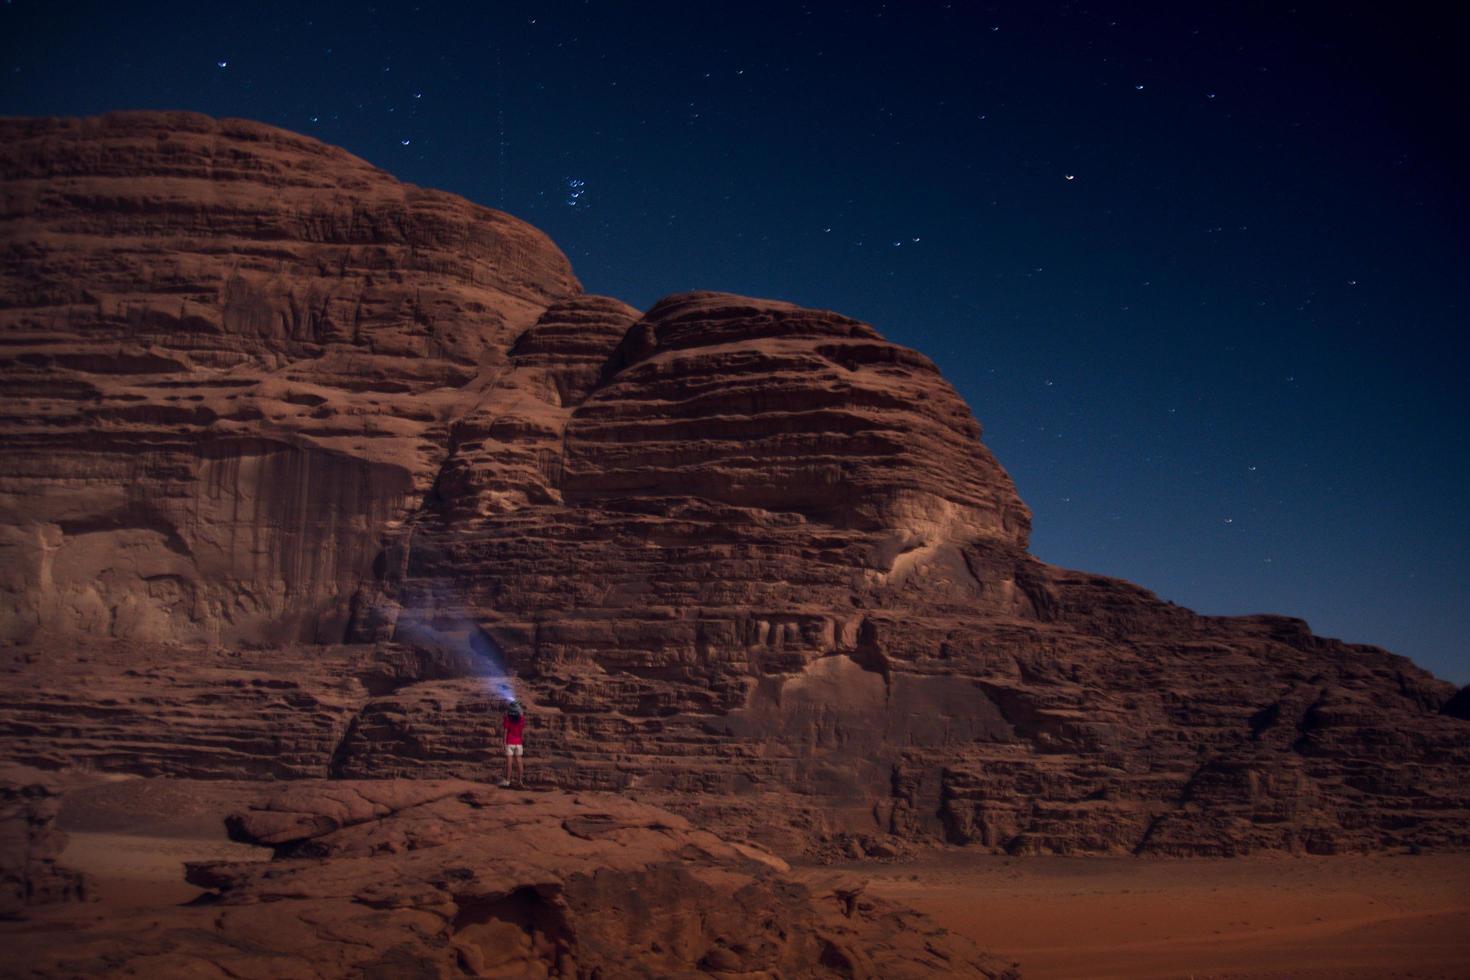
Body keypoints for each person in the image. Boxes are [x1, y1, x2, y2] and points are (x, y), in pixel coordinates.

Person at [499, 700, 526, 787]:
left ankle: (507, 781)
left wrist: (503, 742)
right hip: (518, 742)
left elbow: (505, 731)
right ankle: (520, 781)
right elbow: (522, 730)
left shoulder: (507, 718)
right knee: (519, 761)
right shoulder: (522, 719)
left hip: (509, 742)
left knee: (509, 762)